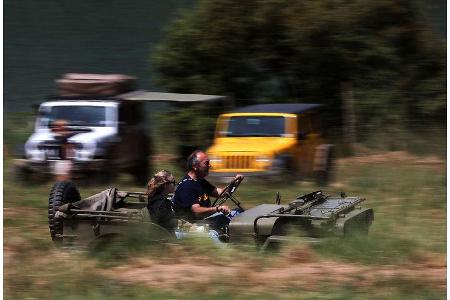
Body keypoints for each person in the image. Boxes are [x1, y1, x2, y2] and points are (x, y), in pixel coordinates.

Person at [172, 150, 242, 229]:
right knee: (232, 220)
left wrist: (234, 183)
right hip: (195, 225)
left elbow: (221, 193)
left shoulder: (201, 181)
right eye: (206, 163)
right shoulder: (187, 186)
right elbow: (196, 211)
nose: (209, 166)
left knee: (239, 213)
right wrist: (217, 209)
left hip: (206, 219)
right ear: (195, 166)